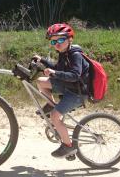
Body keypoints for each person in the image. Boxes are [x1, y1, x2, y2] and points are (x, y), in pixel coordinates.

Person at [33, 23, 89, 158]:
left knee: (54, 117)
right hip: (69, 87)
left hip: (77, 93)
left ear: (70, 39)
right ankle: (51, 105)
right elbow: (58, 69)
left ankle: (68, 146)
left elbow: (75, 75)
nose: (57, 43)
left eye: (61, 40)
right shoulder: (64, 53)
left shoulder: (75, 55)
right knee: (41, 81)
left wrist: (54, 73)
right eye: (53, 41)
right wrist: (43, 61)